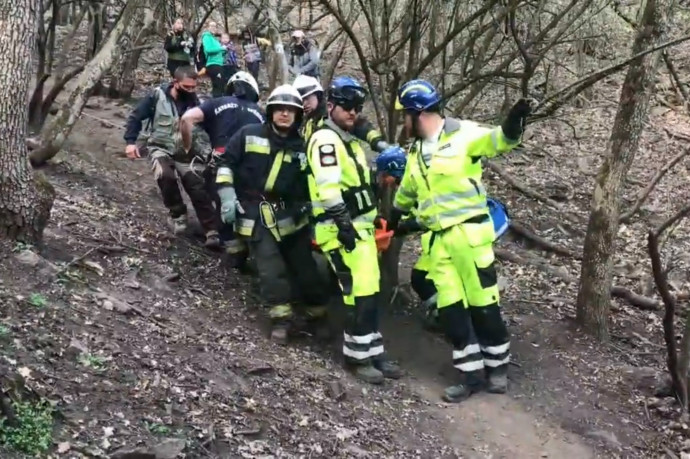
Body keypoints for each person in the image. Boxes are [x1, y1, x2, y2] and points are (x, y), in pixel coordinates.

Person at [389, 79, 533, 402]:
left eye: (405, 116)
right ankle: (471, 376)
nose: (403, 123)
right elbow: (407, 193)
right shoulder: (415, 153)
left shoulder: (463, 134)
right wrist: (393, 219)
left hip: (469, 237)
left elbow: (499, 140)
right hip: (438, 245)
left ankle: (498, 368)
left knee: (484, 306)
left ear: (418, 113)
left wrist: (514, 123)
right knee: (452, 311)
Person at [306, 76, 406, 384]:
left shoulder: (349, 142)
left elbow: (357, 187)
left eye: (357, 108)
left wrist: (372, 215)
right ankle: (357, 357)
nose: (352, 112)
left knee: (370, 292)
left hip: (360, 230)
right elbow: (328, 188)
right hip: (338, 230)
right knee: (359, 292)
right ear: (331, 106)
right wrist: (344, 224)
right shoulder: (325, 140)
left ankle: (372, 350)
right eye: (347, 106)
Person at [215, 85, 330, 344]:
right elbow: (226, 164)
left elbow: (313, 184)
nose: (285, 115)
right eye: (280, 109)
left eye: (290, 111)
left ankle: (318, 316)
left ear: (298, 115)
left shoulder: (303, 147)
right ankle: (281, 320)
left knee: (306, 271)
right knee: (271, 269)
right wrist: (227, 196)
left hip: (292, 216)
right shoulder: (248, 134)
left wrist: (315, 213)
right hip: (256, 213)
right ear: (271, 111)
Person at [123, 66, 220, 249]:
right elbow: (135, 116)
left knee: (196, 185)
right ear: (175, 82)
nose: (191, 90)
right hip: (160, 147)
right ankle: (178, 214)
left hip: (189, 153)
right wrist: (130, 141)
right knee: (165, 175)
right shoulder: (157, 96)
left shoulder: (199, 102)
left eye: (194, 87)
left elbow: (212, 127)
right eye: (186, 86)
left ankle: (211, 230)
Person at [179, 71, 264, 265]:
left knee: (221, 203)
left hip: (219, 163)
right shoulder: (261, 113)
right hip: (249, 170)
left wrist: (187, 147)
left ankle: (229, 249)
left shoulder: (216, 103)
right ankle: (246, 250)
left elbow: (186, 119)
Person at [293, 75, 392, 154]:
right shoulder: (304, 121)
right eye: (300, 100)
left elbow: (359, 124)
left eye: (307, 98)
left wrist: (377, 142)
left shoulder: (329, 115)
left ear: (318, 95)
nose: (304, 103)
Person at [198, 22, 226, 97]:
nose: (214, 28)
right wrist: (221, 48)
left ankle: (217, 103)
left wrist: (223, 51)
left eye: (215, 26)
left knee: (220, 85)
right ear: (208, 27)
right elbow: (208, 50)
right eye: (212, 26)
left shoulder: (215, 39)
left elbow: (218, 51)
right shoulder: (206, 37)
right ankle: (216, 104)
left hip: (219, 63)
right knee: (217, 85)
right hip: (212, 64)